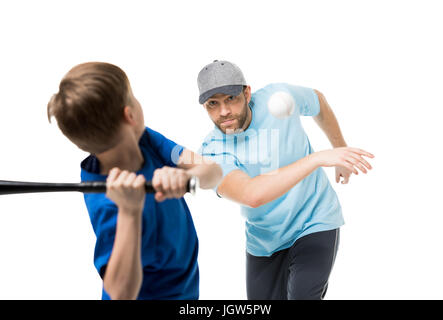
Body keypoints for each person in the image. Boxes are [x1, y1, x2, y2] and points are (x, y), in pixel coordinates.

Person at [197, 60, 374, 300]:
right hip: (264, 242)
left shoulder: (278, 98)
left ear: (247, 93)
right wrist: (317, 159)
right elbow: (252, 195)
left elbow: (318, 101)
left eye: (231, 98)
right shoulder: (212, 152)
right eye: (213, 104)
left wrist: (340, 150)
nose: (224, 111)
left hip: (314, 219)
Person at [47, 62, 222, 300]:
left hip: (185, 290)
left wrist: (187, 176)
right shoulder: (109, 206)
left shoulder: (146, 141)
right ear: (129, 115)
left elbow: (213, 172)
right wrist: (129, 212)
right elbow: (120, 293)